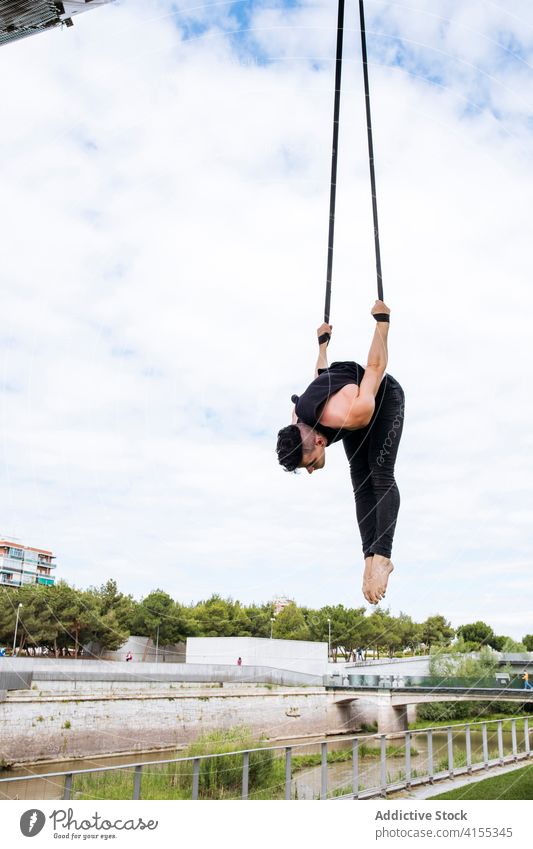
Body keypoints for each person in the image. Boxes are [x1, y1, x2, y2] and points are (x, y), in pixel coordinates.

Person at [276, 300, 404, 605]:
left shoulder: (349, 413)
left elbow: (375, 367)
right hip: (350, 404)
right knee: (360, 484)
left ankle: (383, 555)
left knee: (379, 473)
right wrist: (322, 344)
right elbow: (321, 374)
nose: (309, 470)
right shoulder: (299, 417)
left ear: (318, 443)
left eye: (307, 464)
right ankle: (368, 557)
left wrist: (382, 323)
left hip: (381, 398)